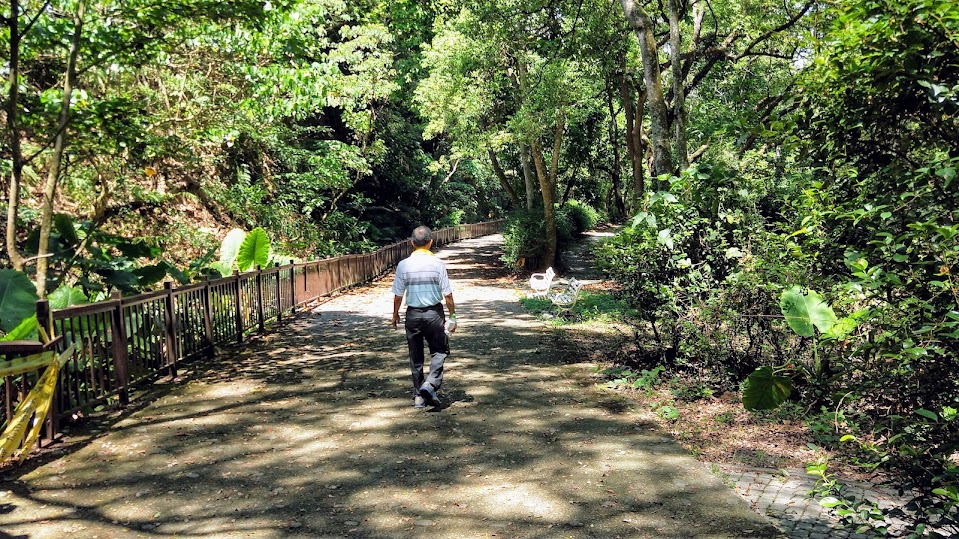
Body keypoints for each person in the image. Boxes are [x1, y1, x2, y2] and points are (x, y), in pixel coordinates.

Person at [391, 226, 457, 408]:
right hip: (434, 314)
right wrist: (453, 315)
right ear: (430, 243)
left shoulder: (403, 265)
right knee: (440, 350)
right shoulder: (437, 264)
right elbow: (448, 295)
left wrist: (395, 314)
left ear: (412, 243)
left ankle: (419, 396)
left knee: (415, 354)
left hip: (412, 314)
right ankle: (430, 384)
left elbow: (398, 295)